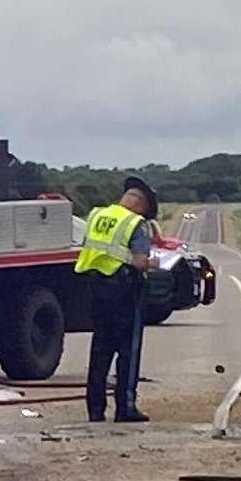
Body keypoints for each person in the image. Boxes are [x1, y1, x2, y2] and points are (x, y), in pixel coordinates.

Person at [75, 173, 162, 422]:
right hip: (123, 290)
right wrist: (153, 263)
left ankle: (95, 409)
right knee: (128, 352)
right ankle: (125, 407)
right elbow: (139, 261)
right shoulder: (135, 224)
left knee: (100, 350)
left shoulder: (96, 215)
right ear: (141, 205)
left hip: (95, 287)